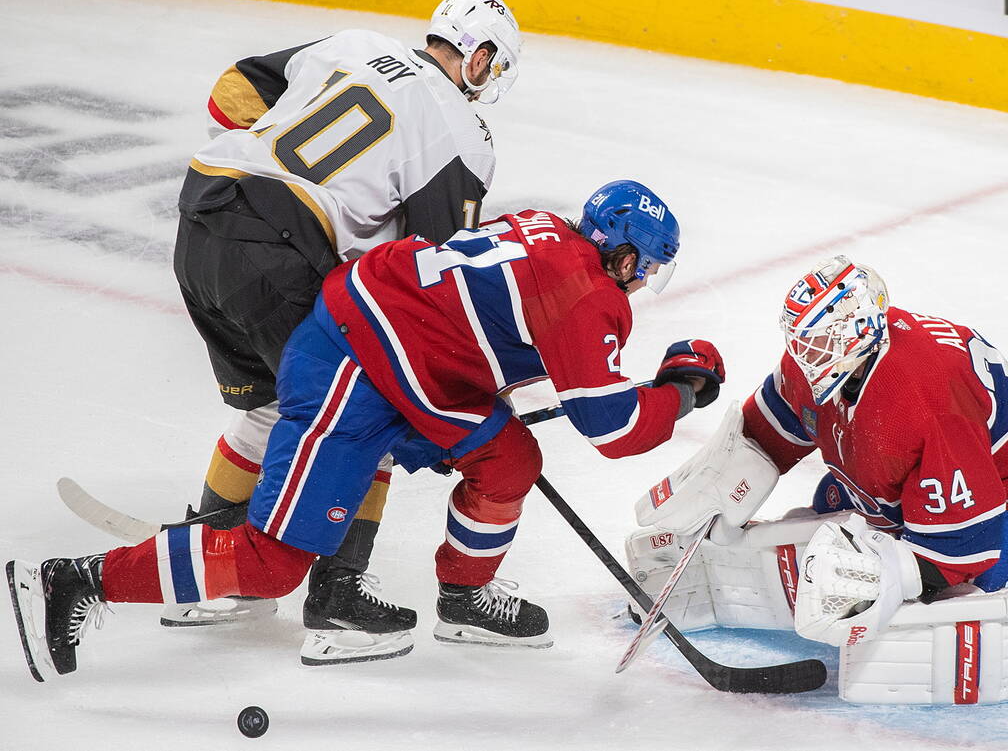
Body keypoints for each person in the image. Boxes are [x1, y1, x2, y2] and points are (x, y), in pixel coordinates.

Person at [7, 179, 727, 680]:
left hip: (419, 361)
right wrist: (682, 391)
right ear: (624, 253)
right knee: (273, 563)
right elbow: (613, 425)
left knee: (508, 458)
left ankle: (465, 597)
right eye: (645, 269)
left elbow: (503, 335)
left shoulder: (552, 235)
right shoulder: (585, 290)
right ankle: (75, 581)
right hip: (355, 364)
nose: (640, 284)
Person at [163, 0, 522, 647]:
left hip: (202, 212)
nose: (486, 85)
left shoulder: (356, 43)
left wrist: (264, 172)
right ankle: (339, 592)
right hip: (278, 251)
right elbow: (438, 273)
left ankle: (212, 566)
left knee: (276, 404)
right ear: (482, 55)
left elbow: (231, 92)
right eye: (492, 68)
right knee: (375, 400)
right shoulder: (461, 133)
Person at [632, 255, 1008, 644]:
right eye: (801, 339)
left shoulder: (927, 399)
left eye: (818, 341)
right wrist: (712, 498)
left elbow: (958, 549)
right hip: (916, 469)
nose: (805, 354)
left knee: (926, 610)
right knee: (826, 525)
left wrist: (874, 581)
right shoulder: (829, 360)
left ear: (860, 331)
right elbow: (763, 436)